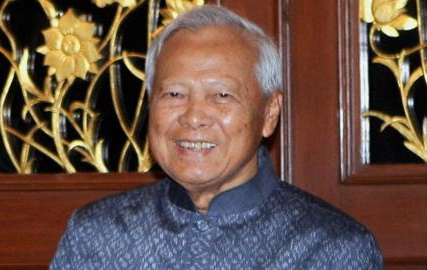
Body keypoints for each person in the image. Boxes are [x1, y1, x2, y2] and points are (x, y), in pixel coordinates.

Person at [50, 5, 383, 269]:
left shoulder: (331, 248)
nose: (194, 117)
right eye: (174, 94)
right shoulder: (97, 235)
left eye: (222, 96)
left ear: (269, 114)